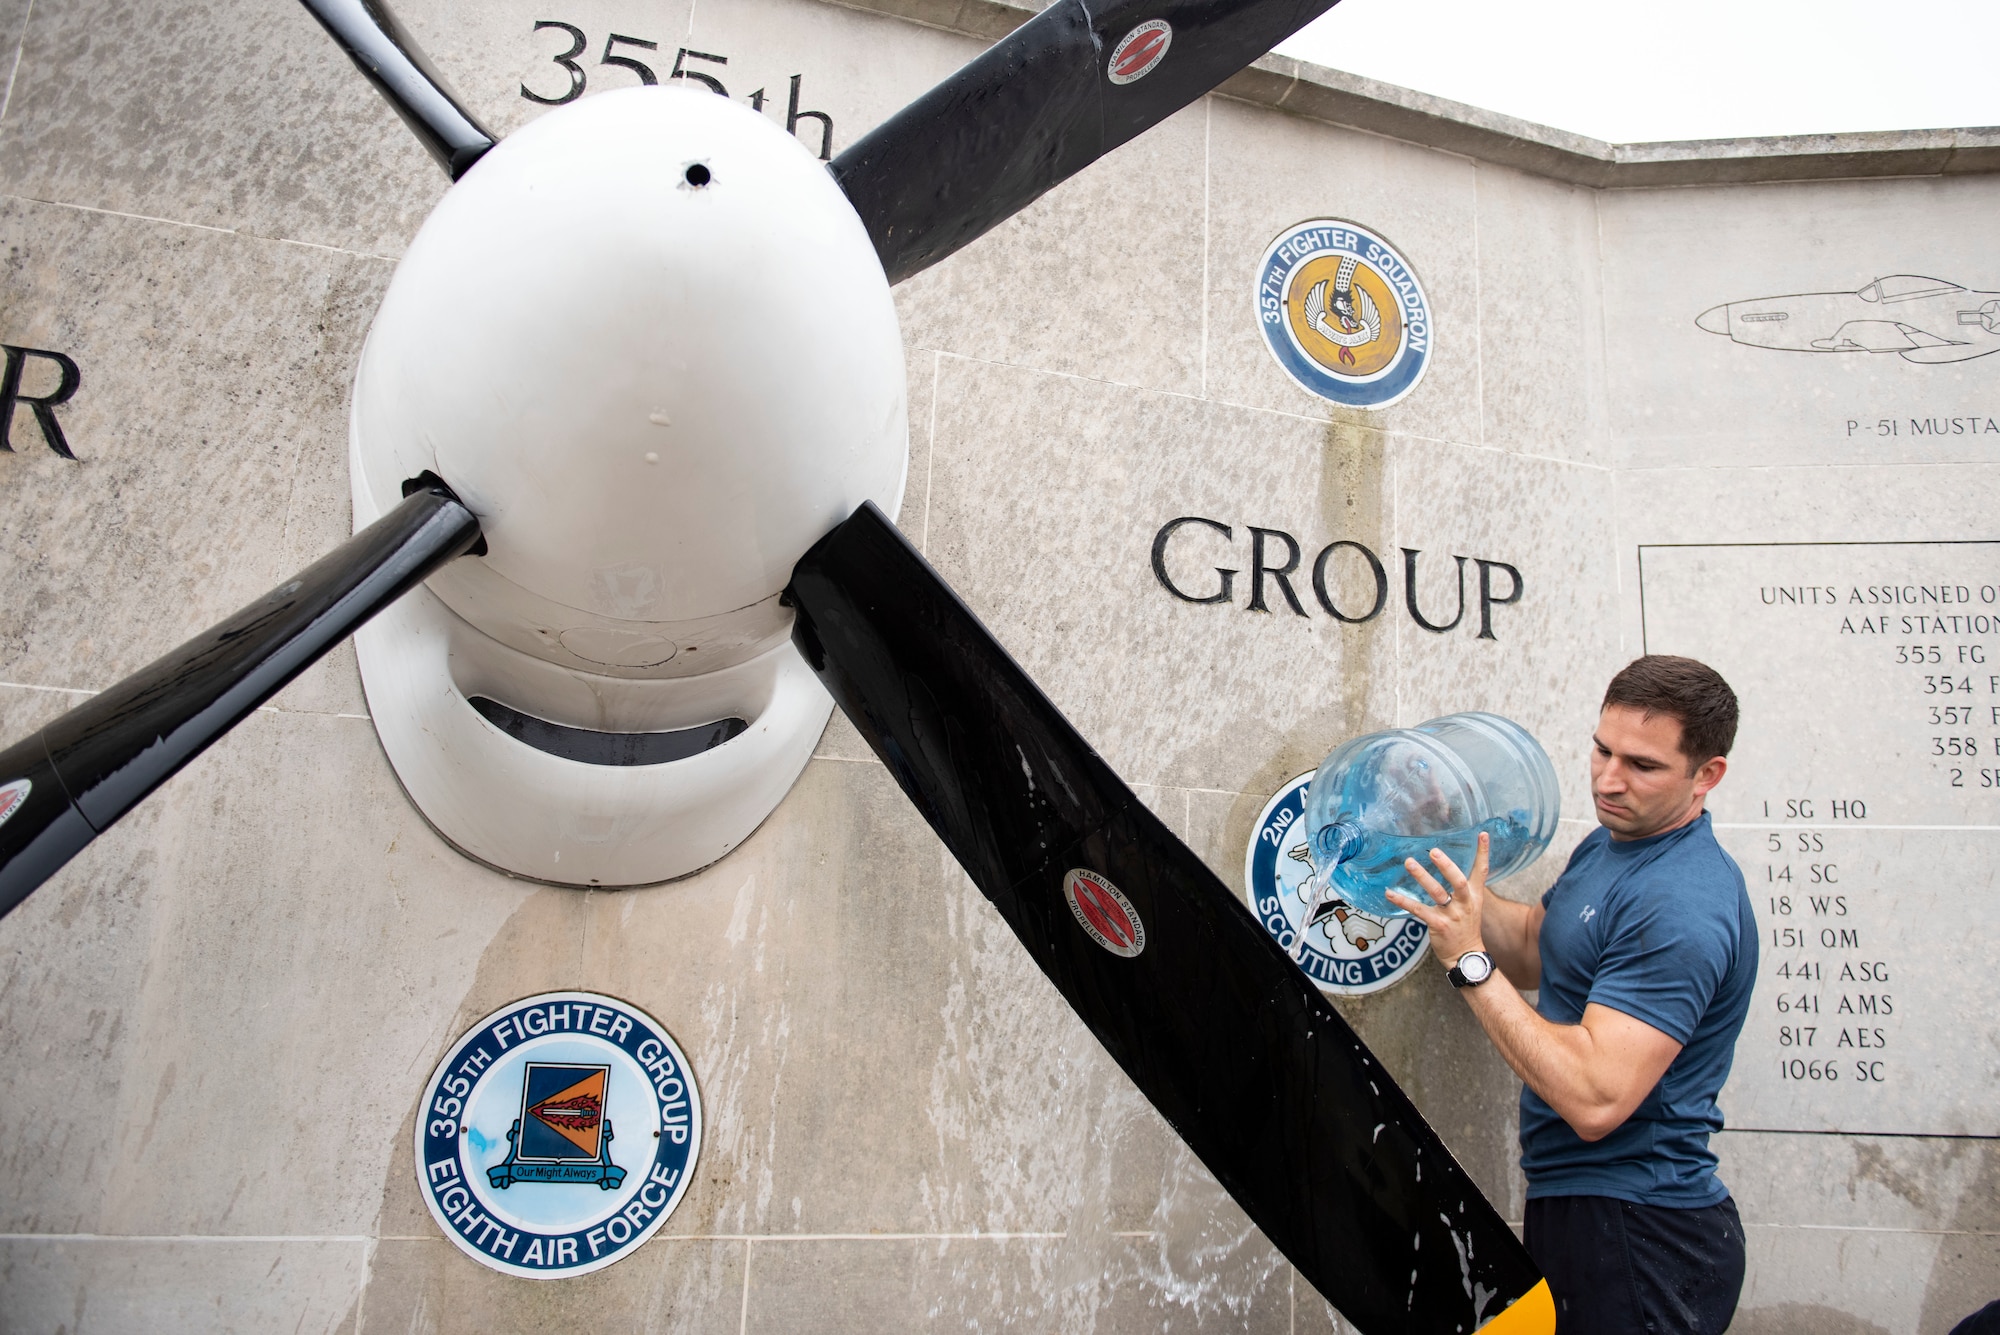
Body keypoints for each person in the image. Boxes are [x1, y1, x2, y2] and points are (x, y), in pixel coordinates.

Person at [1388, 655, 1756, 1334]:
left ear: (1707, 775)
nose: (1609, 779)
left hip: (1643, 1232)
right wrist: (1443, 850)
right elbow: (1536, 946)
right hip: (1580, 1209)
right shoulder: (1612, 844)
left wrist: (1468, 964)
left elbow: (1595, 1097)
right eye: (1601, 749)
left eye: (1642, 765)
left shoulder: (1682, 903)